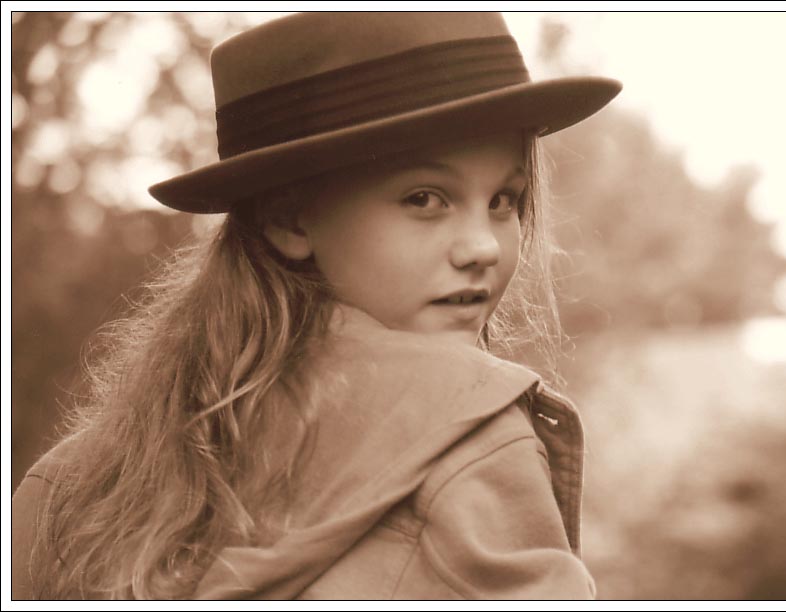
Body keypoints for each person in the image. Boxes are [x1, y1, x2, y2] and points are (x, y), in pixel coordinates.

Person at [11, 12, 621, 600]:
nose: (483, 247)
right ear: (289, 218)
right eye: (424, 198)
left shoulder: (64, 487)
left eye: (504, 200)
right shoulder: (474, 443)